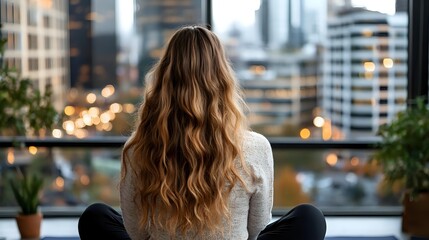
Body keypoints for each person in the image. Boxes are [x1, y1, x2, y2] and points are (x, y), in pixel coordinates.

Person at [78, 25, 326, 240]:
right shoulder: (256, 147)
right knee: (310, 218)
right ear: (223, 80)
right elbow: (256, 230)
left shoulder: (138, 149)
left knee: (95, 217)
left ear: (164, 80)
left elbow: (136, 234)